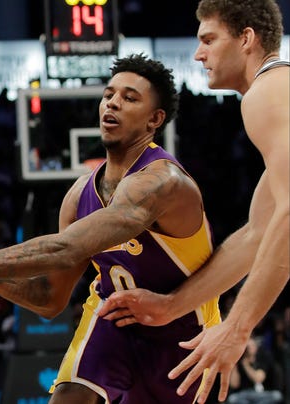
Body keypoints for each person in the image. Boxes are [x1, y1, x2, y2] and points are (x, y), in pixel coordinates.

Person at [0, 54, 222, 403]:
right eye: (109, 94)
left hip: (182, 331)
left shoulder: (164, 181)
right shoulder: (79, 195)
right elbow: (48, 299)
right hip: (111, 322)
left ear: (154, 120)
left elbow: (65, 247)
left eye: (130, 98)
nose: (112, 103)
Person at [97, 0, 289, 403]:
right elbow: (257, 234)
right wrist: (171, 307)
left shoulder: (268, 95)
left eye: (208, 39)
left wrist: (236, 329)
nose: (198, 53)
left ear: (247, 38)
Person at [227, 335, 283, 404]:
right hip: (244, 393)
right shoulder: (239, 360)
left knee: (277, 395)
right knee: (233, 398)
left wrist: (246, 365)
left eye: (251, 347)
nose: (248, 349)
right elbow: (234, 384)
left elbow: (258, 379)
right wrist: (234, 364)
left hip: (261, 393)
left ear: (256, 347)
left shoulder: (261, 358)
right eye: (246, 347)